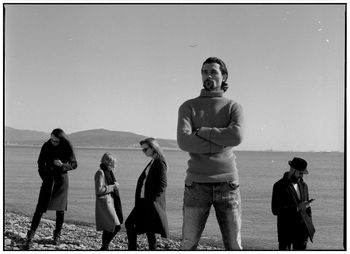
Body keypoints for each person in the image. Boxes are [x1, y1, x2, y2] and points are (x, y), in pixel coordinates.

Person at [177, 57, 244, 250]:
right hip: (196, 184)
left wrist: (204, 132)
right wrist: (222, 141)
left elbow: (237, 137)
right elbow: (184, 142)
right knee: (188, 244)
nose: (208, 75)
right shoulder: (188, 107)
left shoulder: (233, 107)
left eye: (213, 71)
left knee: (234, 245)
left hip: (228, 185)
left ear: (224, 76)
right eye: (204, 71)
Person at [24, 128, 78, 250]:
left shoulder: (67, 147)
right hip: (48, 180)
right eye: (51, 139)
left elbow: (74, 164)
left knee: (60, 211)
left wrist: (63, 165)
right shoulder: (46, 145)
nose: (52, 142)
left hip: (62, 182)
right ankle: (30, 236)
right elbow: (39, 162)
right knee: (39, 208)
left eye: (55, 141)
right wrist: (44, 176)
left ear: (61, 140)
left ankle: (57, 235)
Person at [125, 138, 169, 250]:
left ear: (153, 147)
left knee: (142, 227)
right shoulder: (153, 161)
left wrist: (152, 200)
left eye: (145, 149)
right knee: (145, 228)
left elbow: (162, 185)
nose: (143, 152)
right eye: (142, 150)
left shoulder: (160, 162)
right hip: (144, 201)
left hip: (149, 202)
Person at [271, 157, 315, 250]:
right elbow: (275, 210)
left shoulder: (304, 186)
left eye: (303, 173)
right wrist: (297, 208)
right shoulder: (279, 186)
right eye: (300, 173)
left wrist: (309, 228)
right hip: (286, 232)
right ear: (292, 170)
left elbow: (308, 209)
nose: (302, 176)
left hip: (302, 232)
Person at [94, 152, 123, 250]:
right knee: (116, 226)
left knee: (108, 227)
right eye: (113, 164)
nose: (114, 166)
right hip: (104, 203)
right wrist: (113, 187)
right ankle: (104, 247)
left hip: (110, 202)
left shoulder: (108, 173)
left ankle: (104, 248)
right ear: (108, 163)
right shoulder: (100, 172)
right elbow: (99, 190)